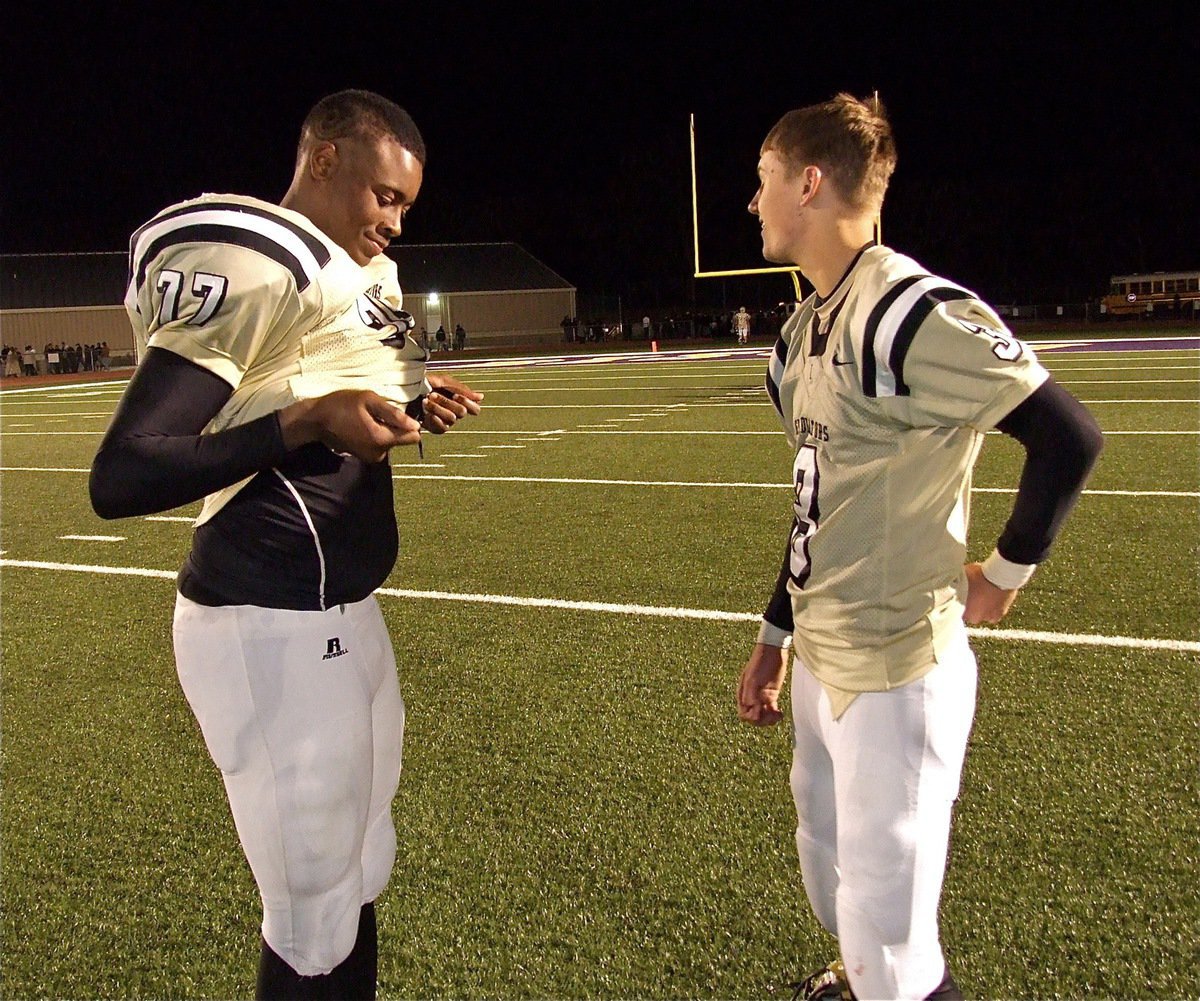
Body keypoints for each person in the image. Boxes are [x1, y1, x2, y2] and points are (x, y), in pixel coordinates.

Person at [89, 88, 484, 1000]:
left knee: (363, 869)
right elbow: (123, 472)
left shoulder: (361, 275)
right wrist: (304, 423)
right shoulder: (259, 260)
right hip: (265, 619)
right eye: (384, 195)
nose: (395, 221)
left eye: (407, 205)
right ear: (325, 159)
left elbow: (334, 385)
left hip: (347, 610)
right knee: (313, 919)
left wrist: (412, 404)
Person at [736, 93, 1103, 1001]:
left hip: (897, 670)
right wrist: (775, 637)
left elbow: (1068, 435)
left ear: (809, 183)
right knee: (830, 880)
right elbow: (817, 505)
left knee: (891, 952)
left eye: (764, 178)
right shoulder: (799, 333)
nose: (752, 200)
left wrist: (1005, 574)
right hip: (823, 657)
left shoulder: (909, 310)